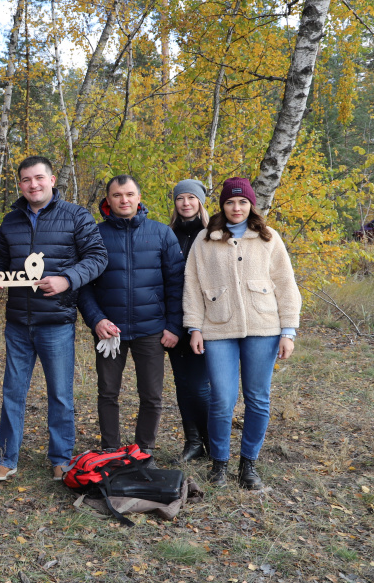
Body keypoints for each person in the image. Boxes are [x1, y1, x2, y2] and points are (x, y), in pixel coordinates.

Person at [0, 156, 108, 482]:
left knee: (60, 394)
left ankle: (61, 458)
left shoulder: (76, 216)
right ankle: (6, 457)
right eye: (26, 180)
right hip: (17, 323)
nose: (33, 185)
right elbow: (0, 262)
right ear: (20, 185)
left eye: (39, 178)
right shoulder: (10, 221)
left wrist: (67, 278)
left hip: (56, 322)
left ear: (52, 180)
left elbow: (98, 257)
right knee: (12, 391)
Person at [184, 177, 301, 490]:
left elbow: (286, 284)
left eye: (243, 202)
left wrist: (288, 330)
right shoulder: (205, 240)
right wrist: (194, 327)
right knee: (222, 399)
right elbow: (192, 286)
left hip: (263, 328)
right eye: (230, 202)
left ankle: (248, 464)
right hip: (218, 328)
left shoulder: (268, 238)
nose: (237, 208)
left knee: (258, 398)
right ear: (222, 205)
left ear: (251, 205)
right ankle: (219, 464)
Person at [76, 175, 184, 465]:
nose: (124, 200)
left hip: (151, 330)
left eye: (129, 194)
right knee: (107, 392)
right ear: (107, 200)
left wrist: (174, 326)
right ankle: (110, 448)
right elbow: (83, 285)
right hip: (110, 331)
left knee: (151, 395)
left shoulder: (162, 234)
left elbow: (176, 285)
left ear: (139, 197)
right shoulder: (94, 235)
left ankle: (143, 450)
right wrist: (96, 320)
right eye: (117, 195)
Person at [168, 179, 211, 462]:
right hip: (174, 319)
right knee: (182, 384)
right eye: (181, 198)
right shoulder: (167, 234)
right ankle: (192, 442)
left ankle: (212, 442)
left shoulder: (211, 235)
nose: (186, 203)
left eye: (191, 198)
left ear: (200, 202)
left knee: (200, 385)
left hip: (206, 320)